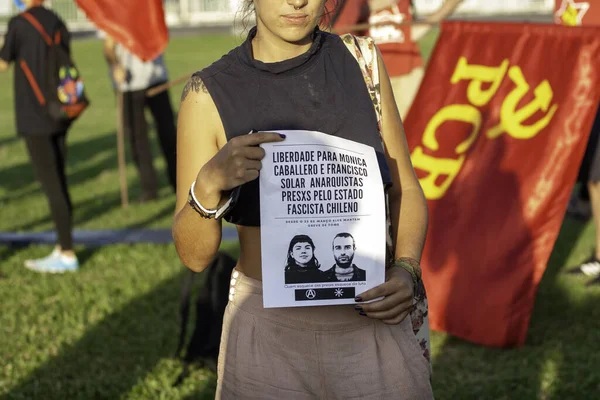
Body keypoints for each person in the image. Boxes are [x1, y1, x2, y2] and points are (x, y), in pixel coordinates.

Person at [173, 0, 432, 398]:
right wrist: (207, 185)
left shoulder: (362, 62)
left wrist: (406, 269)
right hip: (266, 331)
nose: (297, 1)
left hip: (371, 316)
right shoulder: (206, 93)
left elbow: (405, 188)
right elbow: (194, 257)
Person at [0, 0, 80, 273]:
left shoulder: (19, 25)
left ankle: (67, 252)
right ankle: (63, 244)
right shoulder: (56, 20)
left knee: (52, 185)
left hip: (34, 117)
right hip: (60, 111)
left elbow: (3, 63)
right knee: (59, 179)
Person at [330, 0, 463, 120]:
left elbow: (408, 33)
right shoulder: (353, 5)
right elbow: (345, 25)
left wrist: (442, 12)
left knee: (414, 126)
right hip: (372, 76)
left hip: (408, 72)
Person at [103, 35, 177, 202]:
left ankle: (179, 182)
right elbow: (108, 46)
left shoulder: (149, 8)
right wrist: (115, 65)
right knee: (137, 138)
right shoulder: (115, 12)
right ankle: (149, 189)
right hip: (128, 85)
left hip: (156, 78)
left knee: (168, 134)